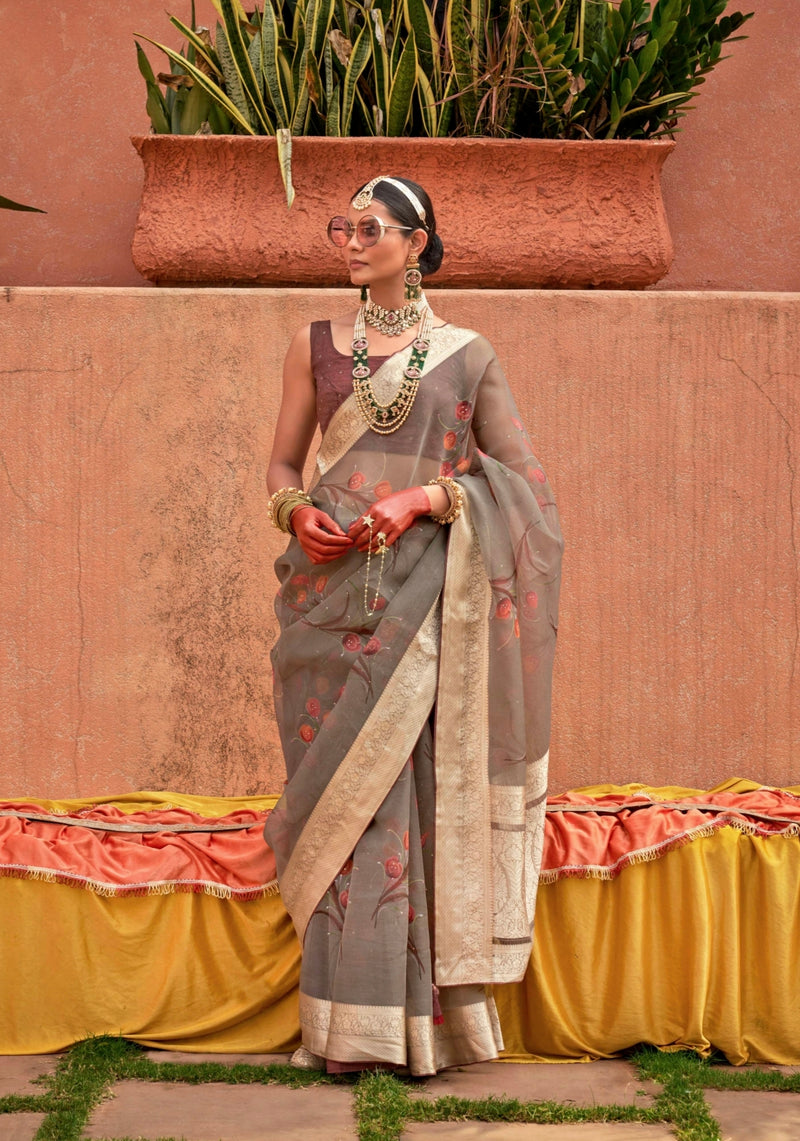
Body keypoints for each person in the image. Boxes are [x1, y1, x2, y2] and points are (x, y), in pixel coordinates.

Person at [264, 175, 562, 1075]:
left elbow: (525, 486)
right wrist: (292, 511)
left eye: (370, 228)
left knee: (408, 793)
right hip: (327, 600)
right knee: (340, 798)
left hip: (427, 603)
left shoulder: (467, 356)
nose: (351, 243)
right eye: (343, 228)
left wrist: (425, 498)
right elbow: (283, 461)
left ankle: (418, 1026)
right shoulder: (316, 344)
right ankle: (342, 1022)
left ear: (416, 241)